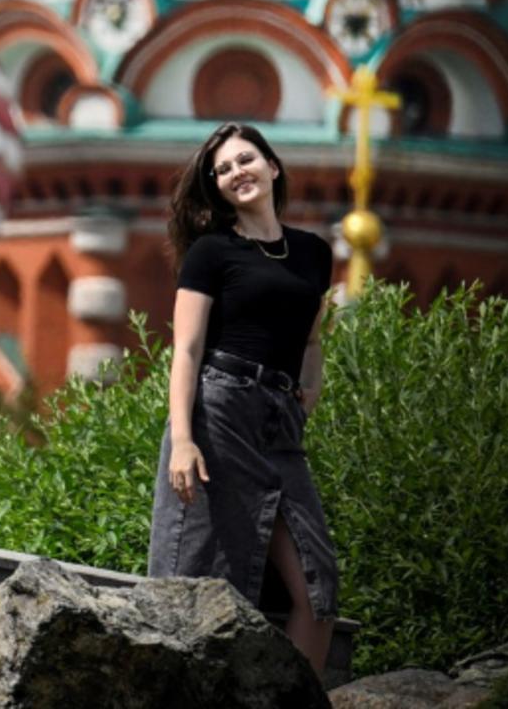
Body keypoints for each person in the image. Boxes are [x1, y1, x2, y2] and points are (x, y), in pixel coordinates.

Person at [148, 121, 340, 675]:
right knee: (206, 580)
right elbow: (185, 350)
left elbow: (310, 337)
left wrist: (310, 390)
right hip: (220, 409)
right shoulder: (212, 253)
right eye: (224, 169)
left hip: (279, 421)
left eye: (246, 160)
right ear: (218, 187)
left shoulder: (312, 253)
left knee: (317, 583)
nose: (237, 173)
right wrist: (183, 439)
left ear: (272, 166)